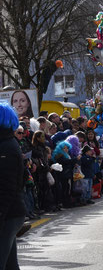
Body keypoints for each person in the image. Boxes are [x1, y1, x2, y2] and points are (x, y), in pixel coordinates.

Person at [0, 103, 26, 270]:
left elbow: (7, 186)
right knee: (10, 265)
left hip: (8, 213)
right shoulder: (8, 143)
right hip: (10, 212)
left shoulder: (6, 147)